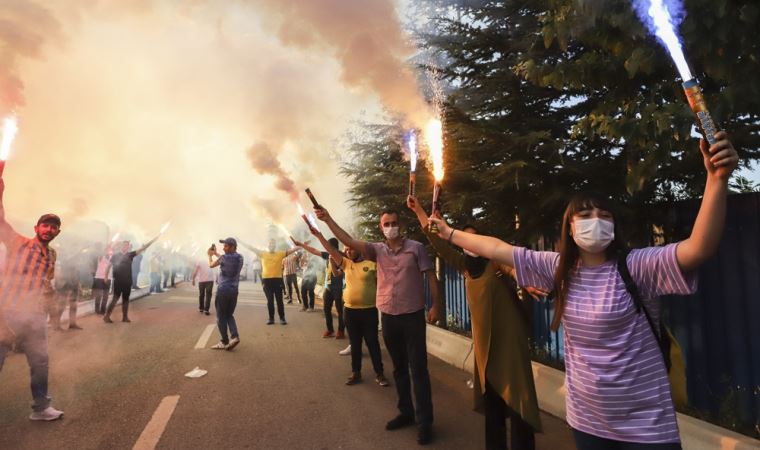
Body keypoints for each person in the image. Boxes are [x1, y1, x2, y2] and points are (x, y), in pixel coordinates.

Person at [427, 132, 739, 449]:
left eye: (604, 216)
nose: (596, 221)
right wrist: (449, 232)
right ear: (571, 227)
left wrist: (716, 180)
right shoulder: (558, 269)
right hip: (588, 422)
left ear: (614, 226)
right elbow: (497, 248)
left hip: (647, 425)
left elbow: (698, 248)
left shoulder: (639, 266)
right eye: (585, 215)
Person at [408, 196, 541, 450]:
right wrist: (420, 211)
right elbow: (437, 240)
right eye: (463, 238)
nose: (468, 243)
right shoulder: (463, 265)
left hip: (509, 340)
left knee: (518, 400)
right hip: (484, 346)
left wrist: (525, 280)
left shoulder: (494, 262)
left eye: (473, 238)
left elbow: (514, 269)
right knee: (494, 404)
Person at [315, 205, 443, 445]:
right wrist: (328, 219)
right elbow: (347, 239)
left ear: (400, 225)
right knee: (398, 368)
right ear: (381, 227)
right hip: (389, 317)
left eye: (394, 223)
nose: (391, 228)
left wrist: (436, 306)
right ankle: (406, 412)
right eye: (387, 224)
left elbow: (431, 276)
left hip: (412, 316)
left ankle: (425, 421)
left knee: (419, 369)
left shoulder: (416, 249)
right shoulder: (376, 250)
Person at [0, 178, 65, 421]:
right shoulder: (19, 244)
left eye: (53, 227)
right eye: (45, 226)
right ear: (37, 228)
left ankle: (41, 408)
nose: (49, 230)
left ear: (58, 232)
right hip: (7, 314)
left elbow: (44, 284)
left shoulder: (51, 255)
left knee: (40, 363)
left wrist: (49, 304)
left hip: (34, 317)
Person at [296, 229, 390, 387]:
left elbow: (383, 284)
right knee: (355, 343)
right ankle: (356, 372)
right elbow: (330, 250)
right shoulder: (346, 263)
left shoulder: (371, 264)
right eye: (346, 249)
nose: (349, 250)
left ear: (358, 248)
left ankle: (379, 374)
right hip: (350, 311)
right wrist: (318, 235)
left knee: (372, 343)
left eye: (351, 247)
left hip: (369, 311)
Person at [294, 236, 346, 338]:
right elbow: (314, 250)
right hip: (328, 288)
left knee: (340, 311)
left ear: (334, 247)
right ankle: (330, 330)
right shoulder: (328, 255)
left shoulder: (342, 257)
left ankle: (341, 331)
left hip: (339, 288)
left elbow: (339, 273)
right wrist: (301, 245)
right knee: (326, 310)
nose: (326, 248)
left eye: (328, 246)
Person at [242, 239, 299, 325]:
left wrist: (301, 245)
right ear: (268, 245)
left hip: (278, 280)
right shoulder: (263, 253)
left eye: (273, 244)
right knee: (270, 300)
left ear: (275, 245)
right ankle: (271, 318)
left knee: (279, 300)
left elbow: (291, 250)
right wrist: (241, 242)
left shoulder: (280, 254)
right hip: (266, 281)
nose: (271, 245)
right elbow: (251, 248)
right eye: (270, 244)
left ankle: (282, 318)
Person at [103, 238, 158, 324]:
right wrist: (105, 277)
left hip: (127, 280)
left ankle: (125, 317)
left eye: (127, 245)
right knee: (115, 298)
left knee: (126, 299)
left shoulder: (130, 255)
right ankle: (106, 316)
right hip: (118, 281)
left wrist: (151, 242)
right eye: (124, 245)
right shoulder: (115, 255)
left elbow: (141, 249)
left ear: (128, 247)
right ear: (121, 246)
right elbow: (108, 266)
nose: (125, 246)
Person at [208, 238, 244, 350]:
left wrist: (210, 255)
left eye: (226, 246)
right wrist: (216, 253)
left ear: (233, 247)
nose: (224, 248)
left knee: (220, 317)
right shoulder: (240, 257)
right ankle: (235, 336)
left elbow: (211, 265)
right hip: (234, 291)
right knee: (229, 315)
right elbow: (226, 259)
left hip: (223, 291)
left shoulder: (224, 258)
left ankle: (224, 341)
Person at [51, 253, 83, 331]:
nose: (79, 260)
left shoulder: (76, 267)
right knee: (61, 307)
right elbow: (63, 278)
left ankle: (72, 324)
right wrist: (65, 287)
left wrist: (79, 287)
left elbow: (76, 278)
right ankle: (56, 325)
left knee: (73, 306)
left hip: (73, 288)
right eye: (78, 259)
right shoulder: (66, 265)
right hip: (66, 288)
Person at [192, 249, 217, 315]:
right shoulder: (211, 260)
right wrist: (217, 278)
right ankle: (206, 309)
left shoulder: (200, 261)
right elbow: (216, 269)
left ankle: (201, 308)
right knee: (208, 295)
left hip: (202, 281)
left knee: (201, 294)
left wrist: (193, 279)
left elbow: (196, 270)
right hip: (209, 280)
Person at [92, 245, 113, 314]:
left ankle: (103, 310)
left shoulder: (112, 256)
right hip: (99, 278)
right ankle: (97, 310)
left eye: (110, 249)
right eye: (107, 249)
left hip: (108, 278)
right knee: (99, 295)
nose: (109, 250)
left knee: (106, 296)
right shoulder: (101, 256)